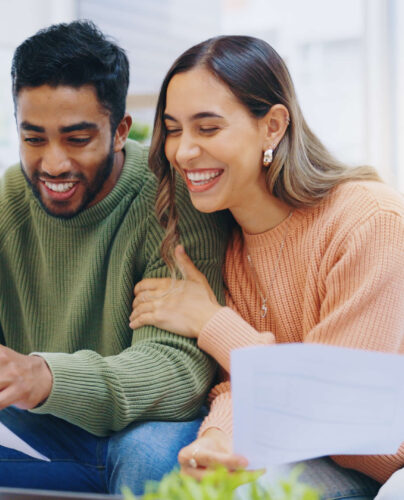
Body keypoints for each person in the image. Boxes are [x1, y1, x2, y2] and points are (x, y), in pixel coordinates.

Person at [0, 21, 229, 498]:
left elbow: (177, 375)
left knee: (150, 455)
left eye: (77, 139)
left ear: (119, 131)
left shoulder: (171, 201)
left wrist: (46, 376)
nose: (54, 163)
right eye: (34, 138)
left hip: (142, 432)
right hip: (35, 436)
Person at [129, 35, 404, 499]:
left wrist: (212, 321)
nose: (183, 151)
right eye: (174, 129)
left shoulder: (368, 221)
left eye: (208, 128)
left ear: (273, 126)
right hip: (313, 454)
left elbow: (337, 408)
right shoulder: (228, 241)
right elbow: (243, 385)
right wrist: (219, 438)